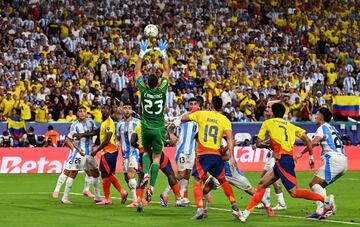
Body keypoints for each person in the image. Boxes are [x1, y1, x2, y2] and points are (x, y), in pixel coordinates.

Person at [239, 103, 336, 222]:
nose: (267, 111)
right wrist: (311, 156)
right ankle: (245, 214)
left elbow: (258, 143)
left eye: (269, 109)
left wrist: (267, 145)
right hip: (284, 161)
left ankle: (325, 200)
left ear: (273, 113)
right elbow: (307, 140)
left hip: (283, 161)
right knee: (261, 184)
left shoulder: (267, 123)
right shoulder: (291, 125)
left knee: (294, 192)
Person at [181, 96, 241, 220]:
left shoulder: (202, 114)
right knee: (223, 180)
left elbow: (183, 119)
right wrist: (232, 157)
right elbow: (230, 139)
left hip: (203, 154)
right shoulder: (224, 120)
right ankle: (234, 204)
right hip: (216, 155)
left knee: (197, 181)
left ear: (211, 105)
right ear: (221, 107)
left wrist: (194, 112)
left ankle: (200, 209)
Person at [134, 39, 171, 204]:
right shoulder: (162, 90)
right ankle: (153, 187)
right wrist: (163, 54)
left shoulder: (143, 90)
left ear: (147, 83)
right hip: (159, 129)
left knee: (146, 153)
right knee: (157, 158)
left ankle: (146, 174)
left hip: (146, 128)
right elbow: (167, 72)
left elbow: (136, 73)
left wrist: (142, 54)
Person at [295, 107, 347, 219]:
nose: (315, 116)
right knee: (320, 185)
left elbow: (313, 142)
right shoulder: (332, 128)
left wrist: (300, 153)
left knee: (314, 184)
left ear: (321, 117)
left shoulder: (322, 127)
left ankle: (327, 205)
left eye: (317, 114)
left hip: (333, 160)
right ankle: (320, 211)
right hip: (343, 161)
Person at [202, 138, 274, 218]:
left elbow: (227, 157)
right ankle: (204, 210)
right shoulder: (210, 141)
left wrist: (214, 158)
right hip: (218, 172)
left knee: (250, 191)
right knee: (205, 189)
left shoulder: (222, 141)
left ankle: (267, 206)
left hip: (231, 173)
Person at [75, 104, 128, 205]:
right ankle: (120, 193)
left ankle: (112, 196)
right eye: (103, 109)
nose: (104, 110)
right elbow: (96, 132)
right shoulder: (104, 122)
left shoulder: (109, 122)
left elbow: (107, 139)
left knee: (104, 174)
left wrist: (96, 150)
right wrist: (82, 135)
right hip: (109, 151)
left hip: (109, 151)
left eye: (107, 109)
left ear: (110, 111)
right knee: (108, 174)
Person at [52, 106, 102, 203]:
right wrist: (78, 150)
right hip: (80, 154)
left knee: (95, 173)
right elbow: (70, 140)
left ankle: (97, 197)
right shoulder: (74, 126)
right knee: (73, 173)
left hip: (90, 154)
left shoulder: (91, 122)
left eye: (84, 111)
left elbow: (96, 132)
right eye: (80, 111)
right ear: (77, 114)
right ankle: (65, 197)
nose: (82, 113)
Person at [131, 122, 183, 212]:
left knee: (141, 178)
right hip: (158, 152)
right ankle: (179, 198)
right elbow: (165, 139)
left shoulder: (138, 126)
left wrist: (140, 147)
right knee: (170, 173)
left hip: (144, 153)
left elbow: (132, 142)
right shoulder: (159, 125)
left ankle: (139, 203)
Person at [160, 97, 199, 207]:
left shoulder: (200, 118)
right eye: (190, 104)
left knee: (187, 174)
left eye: (194, 104)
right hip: (181, 150)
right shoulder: (183, 117)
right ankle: (165, 193)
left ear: (198, 105)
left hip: (191, 151)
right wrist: (172, 134)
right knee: (180, 174)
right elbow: (171, 126)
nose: (192, 106)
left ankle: (181, 198)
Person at [256, 101, 287, 211]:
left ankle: (281, 203)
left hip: (277, 154)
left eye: (269, 107)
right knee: (264, 175)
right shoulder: (271, 122)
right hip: (273, 153)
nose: (266, 109)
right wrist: (269, 146)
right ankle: (266, 201)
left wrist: (263, 145)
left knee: (273, 179)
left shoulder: (271, 122)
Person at [116, 102, 141, 207]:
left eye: (129, 108)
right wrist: (117, 142)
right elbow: (118, 137)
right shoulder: (119, 124)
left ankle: (136, 201)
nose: (127, 110)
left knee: (131, 174)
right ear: (122, 110)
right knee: (127, 177)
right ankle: (139, 195)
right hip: (125, 153)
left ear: (132, 111)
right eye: (125, 108)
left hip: (135, 151)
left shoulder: (138, 122)